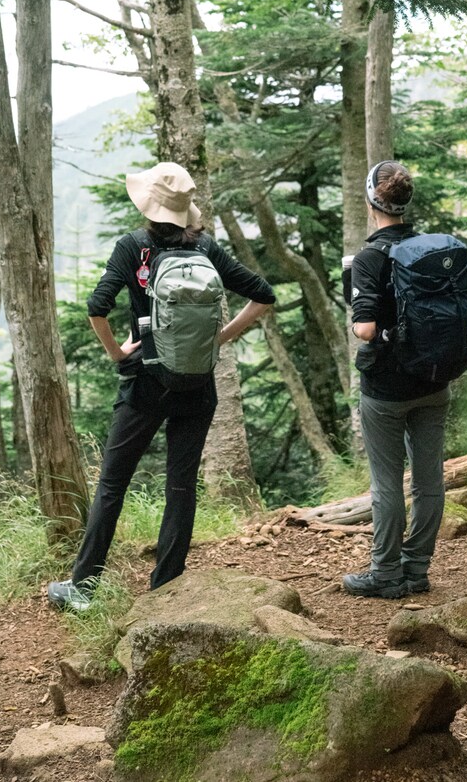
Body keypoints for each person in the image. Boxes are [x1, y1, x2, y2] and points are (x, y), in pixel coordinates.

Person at [47, 162, 275, 611]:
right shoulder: (206, 247)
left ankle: (83, 588)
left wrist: (117, 353)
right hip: (197, 384)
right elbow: (263, 295)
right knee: (181, 485)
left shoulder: (134, 247)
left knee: (112, 484)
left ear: (149, 207)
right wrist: (219, 338)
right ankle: (166, 589)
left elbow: (97, 306)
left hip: (146, 383)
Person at [341, 160, 450, 600]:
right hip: (434, 380)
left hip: (386, 389)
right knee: (429, 481)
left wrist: (361, 322)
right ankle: (417, 569)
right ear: (406, 203)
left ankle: (385, 574)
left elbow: (365, 328)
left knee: (386, 483)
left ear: (372, 203)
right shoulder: (432, 250)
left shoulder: (368, 258)